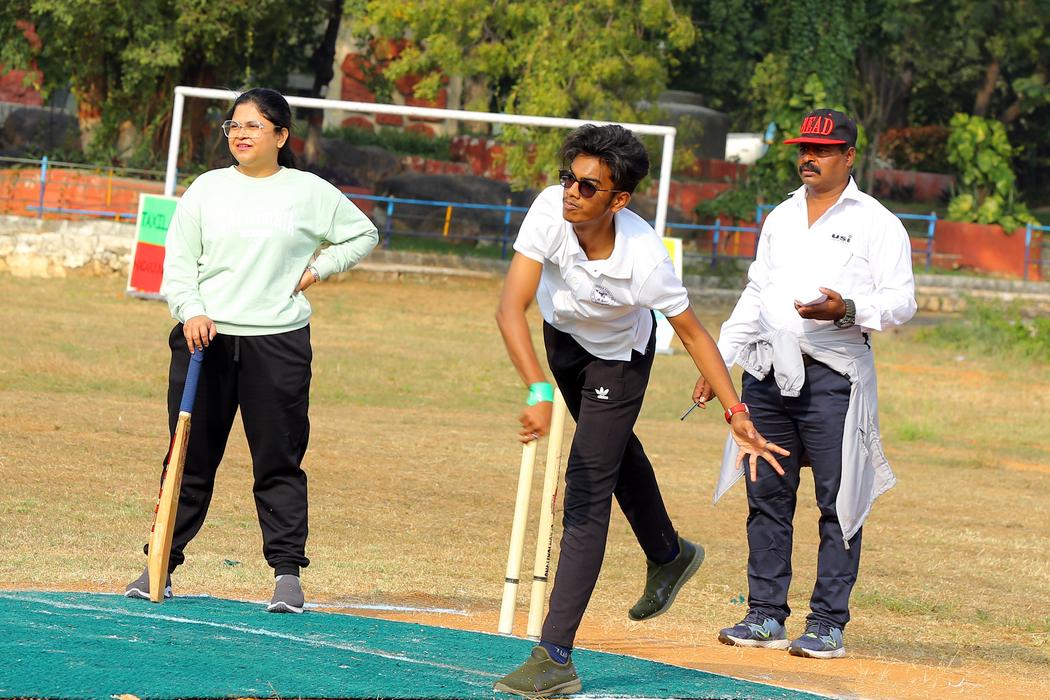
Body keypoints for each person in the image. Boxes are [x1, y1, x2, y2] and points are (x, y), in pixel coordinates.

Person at [493, 124, 788, 697]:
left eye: (587, 185)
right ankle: (668, 554)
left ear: (619, 200)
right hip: (562, 343)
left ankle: (555, 657)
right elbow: (511, 307)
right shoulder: (550, 210)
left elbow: (694, 334)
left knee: (586, 485)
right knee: (608, 450)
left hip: (618, 361)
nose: (571, 192)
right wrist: (537, 391)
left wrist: (735, 411)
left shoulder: (646, 260)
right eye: (568, 178)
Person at [124, 87, 379, 613]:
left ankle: (287, 574)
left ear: (281, 136)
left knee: (278, 460)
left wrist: (318, 269)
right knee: (189, 458)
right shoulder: (207, 189)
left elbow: (363, 234)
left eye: (253, 126)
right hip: (205, 340)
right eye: (233, 125)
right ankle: (160, 566)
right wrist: (192, 311)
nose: (240, 134)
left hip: (279, 344)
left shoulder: (309, 192)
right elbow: (179, 263)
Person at [697, 109, 916, 658]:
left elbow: (902, 302)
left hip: (835, 378)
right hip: (767, 373)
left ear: (849, 156)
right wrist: (719, 362)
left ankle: (827, 624)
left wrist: (848, 310)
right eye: (803, 149)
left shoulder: (877, 222)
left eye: (821, 150)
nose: (808, 158)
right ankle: (765, 615)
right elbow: (756, 292)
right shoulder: (781, 216)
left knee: (839, 500)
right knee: (766, 495)